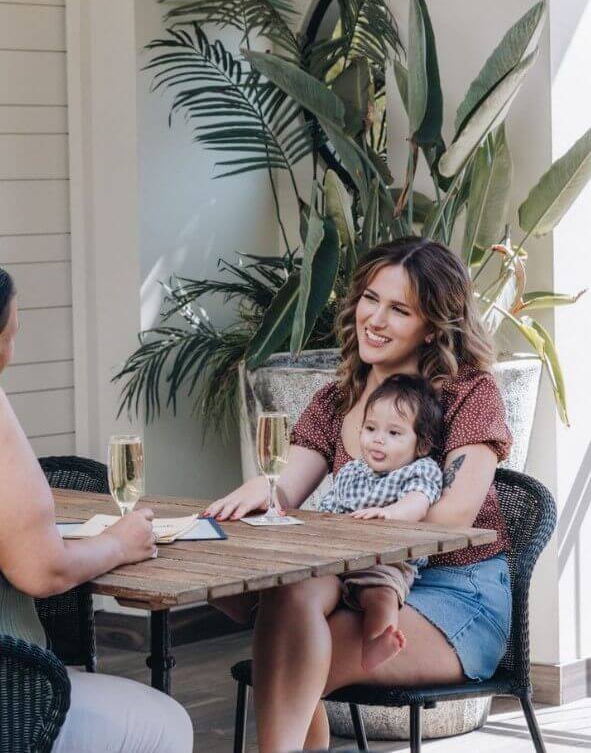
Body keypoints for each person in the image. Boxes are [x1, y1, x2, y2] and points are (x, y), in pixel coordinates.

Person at [206, 236, 513, 753]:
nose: (375, 318)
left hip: (454, 590)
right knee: (292, 596)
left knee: (292, 662)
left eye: (399, 309)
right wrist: (240, 502)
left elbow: (454, 515)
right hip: (358, 577)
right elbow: (283, 485)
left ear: (434, 324)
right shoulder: (337, 398)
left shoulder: (468, 392)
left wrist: (358, 531)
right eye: (371, 299)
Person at [0, 269, 193, 753]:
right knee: (165, 723)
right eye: (12, 334)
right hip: (11, 702)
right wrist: (119, 543)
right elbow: (42, 569)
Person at [318, 373, 442, 671]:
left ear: (422, 445)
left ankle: (376, 640)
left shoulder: (420, 470)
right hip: (342, 557)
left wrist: (391, 514)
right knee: (297, 580)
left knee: (382, 592)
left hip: (388, 560)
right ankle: (245, 601)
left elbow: (419, 502)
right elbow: (330, 507)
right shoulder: (352, 472)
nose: (377, 439)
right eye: (371, 428)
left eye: (394, 433)